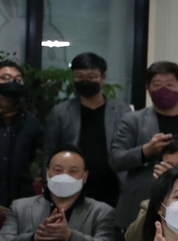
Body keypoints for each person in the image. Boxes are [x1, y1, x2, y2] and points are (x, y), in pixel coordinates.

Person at [109, 61, 178, 230]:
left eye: (170, 85)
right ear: (148, 89)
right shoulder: (133, 120)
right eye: (157, 85)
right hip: (138, 207)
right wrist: (146, 151)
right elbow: (115, 160)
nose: (163, 89)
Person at [42, 52, 131, 208]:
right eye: (79, 76)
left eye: (91, 77)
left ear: (103, 78)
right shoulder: (61, 112)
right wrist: (47, 185)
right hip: (70, 187)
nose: (85, 81)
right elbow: (49, 151)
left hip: (112, 189)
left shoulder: (123, 112)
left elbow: (129, 151)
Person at [0, 61, 40, 209]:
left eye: (18, 79)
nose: (13, 83)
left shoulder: (30, 121)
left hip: (20, 201)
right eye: (6, 78)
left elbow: (30, 157)